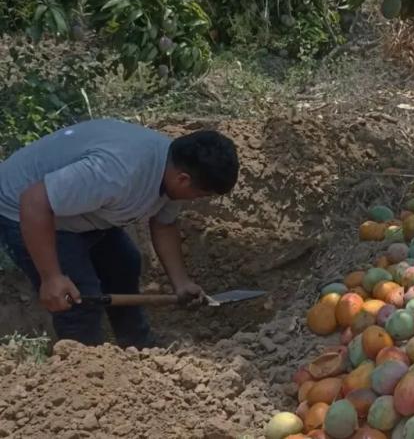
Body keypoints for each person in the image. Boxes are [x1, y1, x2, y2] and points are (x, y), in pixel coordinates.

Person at [0, 118, 239, 349]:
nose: (197, 200)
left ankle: (137, 347)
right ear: (183, 179)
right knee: (79, 298)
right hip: (23, 209)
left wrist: (181, 283)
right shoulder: (118, 172)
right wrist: (52, 277)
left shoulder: (174, 167)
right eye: (201, 194)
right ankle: (82, 365)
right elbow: (33, 202)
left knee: (125, 263)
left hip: (76, 209)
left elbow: (164, 224)